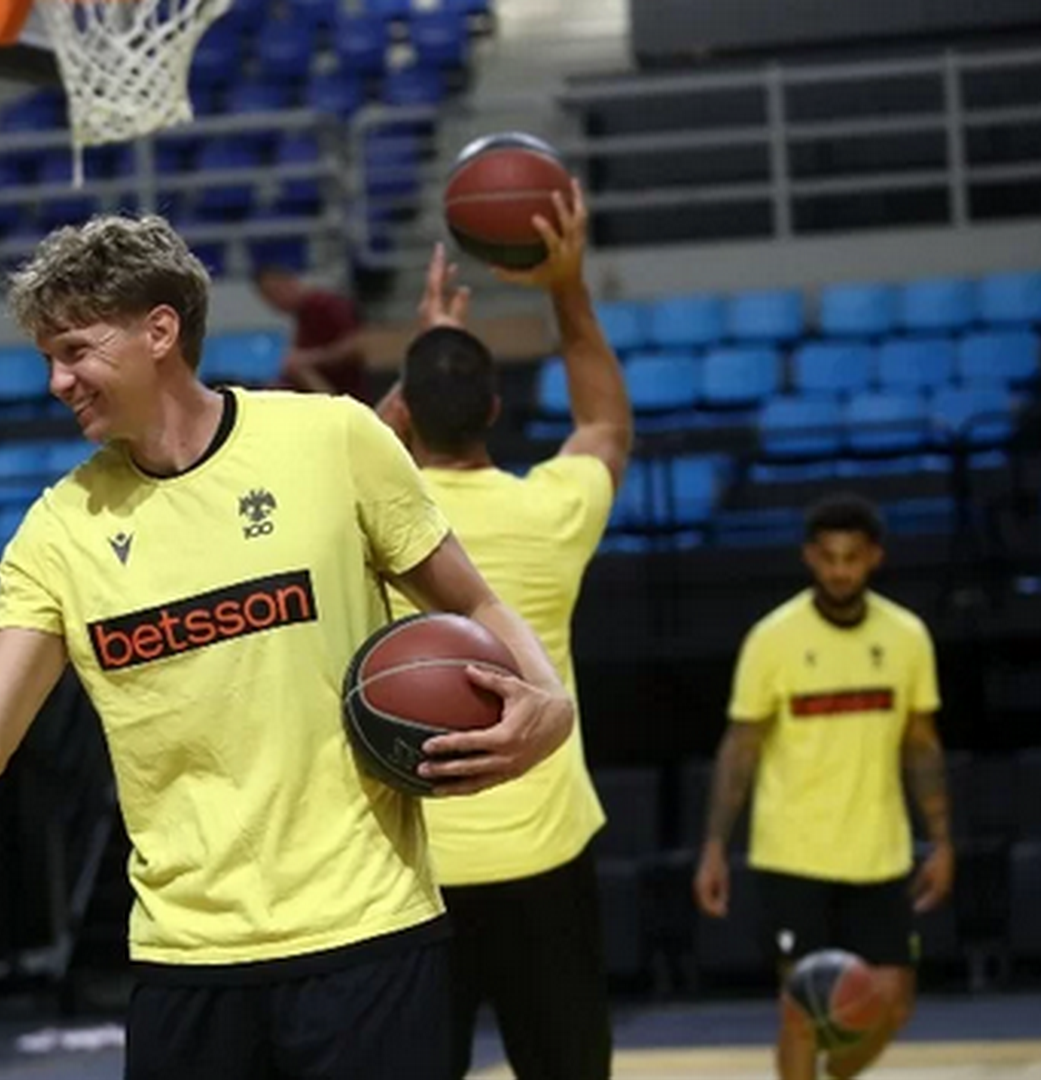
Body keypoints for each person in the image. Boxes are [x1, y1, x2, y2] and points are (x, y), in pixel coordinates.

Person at [0, 213, 579, 1080]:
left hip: (368, 940)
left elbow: (474, 600)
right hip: (187, 962)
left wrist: (549, 705)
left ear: (160, 330)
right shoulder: (59, 529)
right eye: (48, 359)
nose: (58, 381)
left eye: (75, 351)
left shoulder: (334, 440)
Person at [375, 186, 633, 1080]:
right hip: (543, 857)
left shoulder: (365, 520)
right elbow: (604, 425)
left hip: (411, 871)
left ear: (404, 412)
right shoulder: (551, 511)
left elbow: (352, 449)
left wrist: (423, 354)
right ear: (495, 410)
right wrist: (566, 287)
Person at [693, 493, 954, 1080]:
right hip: (793, 853)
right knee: (803, 1010)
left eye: (851, 558)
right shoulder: (772, 638)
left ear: (874, 557)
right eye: (829, 557)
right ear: (810, 557)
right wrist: (714, 847)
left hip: (879, 852)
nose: (840, 571)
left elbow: (922, 746)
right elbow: (740, 747)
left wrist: (942, 840)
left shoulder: (907, 636)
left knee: (893, 1002)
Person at [252, 263, 369, 399]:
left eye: (275, 292)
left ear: (291, 282)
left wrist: (309, 359)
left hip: (342, 393)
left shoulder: (323, 305)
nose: (274, 302)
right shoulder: (302, 314)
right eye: (268, 297)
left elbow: (356, 345)